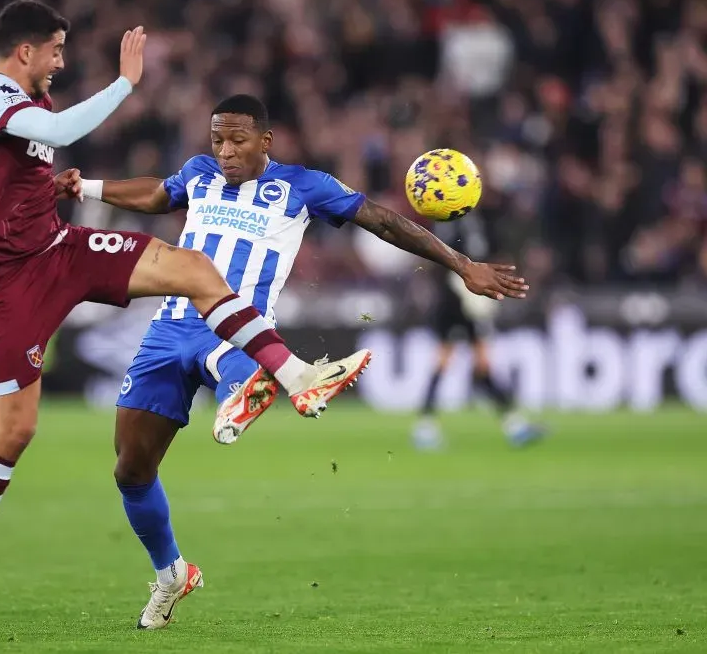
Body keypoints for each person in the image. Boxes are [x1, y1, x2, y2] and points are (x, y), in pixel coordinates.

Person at [0, 1, 372, 628]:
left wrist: (69, 189)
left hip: (60, 249)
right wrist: (124, 84)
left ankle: (296, 374)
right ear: (25, 50)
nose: (60, 63)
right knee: (16, 430)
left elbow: (25, 163)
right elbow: (57, 134)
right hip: (10, 279)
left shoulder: (26, 100)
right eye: (56, 50)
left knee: (194, 269)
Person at [76, 94, 529, 629]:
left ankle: (245, 390)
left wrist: (461, 264)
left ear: (265, 141)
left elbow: (383, 221)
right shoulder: (198, 173)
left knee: (234, 360)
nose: (225, 151)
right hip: (167, 329)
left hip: (240, 325)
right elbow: (157, 193)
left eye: (238, 140)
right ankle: (172, 573)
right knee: (130, 470)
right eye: (218, 140)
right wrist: (86, 187)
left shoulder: (302, 186)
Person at [412, 214, 546, 450]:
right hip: (453, 302)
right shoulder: (449, 221)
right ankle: (425, 426)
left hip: (474, 299)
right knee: (444, 362)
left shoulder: (478, 220)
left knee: (482, 365)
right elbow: (439, 257)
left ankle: (514, 425)